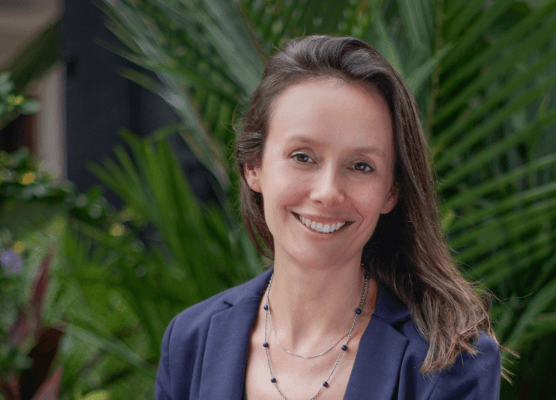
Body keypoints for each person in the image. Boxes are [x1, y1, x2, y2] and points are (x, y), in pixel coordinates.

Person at [155, 35, 508, 400]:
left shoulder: (450, 366)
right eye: (302, 157)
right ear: (253, 167)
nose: (327, 192)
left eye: (360, 166)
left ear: (391, 192)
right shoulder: (190, 341)